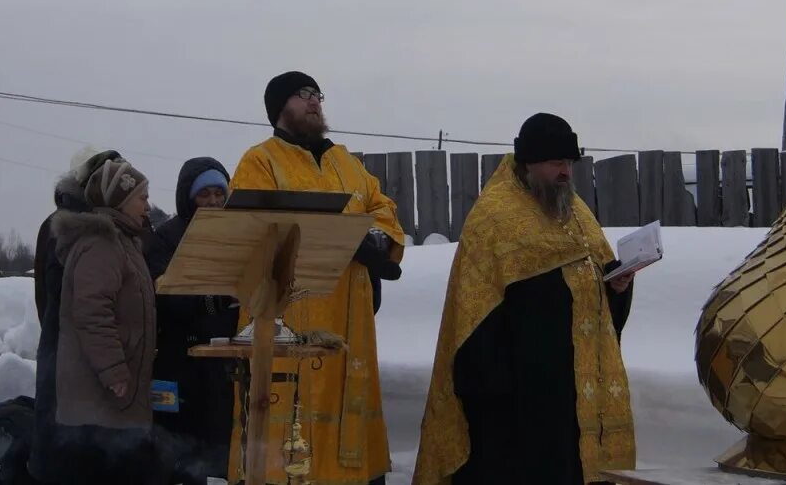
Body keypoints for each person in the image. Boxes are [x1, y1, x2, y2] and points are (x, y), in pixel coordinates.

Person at [413, 114, 637, 485]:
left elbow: (594, 282)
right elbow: (473, 310)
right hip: (521, 395)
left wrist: (616, 287)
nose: (565, 172)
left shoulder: (575, 210)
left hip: (575, 387)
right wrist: (497, 393)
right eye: (556, 164)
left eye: (569, 163)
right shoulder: (494, 216)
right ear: (529, 163)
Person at [227, 71, 404, 485]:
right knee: (293, 417)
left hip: (351, 318)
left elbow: (382, 207)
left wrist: (374, 240)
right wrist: (344, 236)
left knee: (347, 407)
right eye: (301, 95)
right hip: (294, 317)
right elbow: (254, 227)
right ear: (279, 108)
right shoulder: (261, 160)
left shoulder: (347, 162)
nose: (313, 102)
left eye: (316, 94)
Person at [50, 159, 158, 485]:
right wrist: (113, 370)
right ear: (120, 201)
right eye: (142, 197)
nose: (147, 205)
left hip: (113, 406)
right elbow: (92, 311)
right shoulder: (101, 244)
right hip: (98, 403)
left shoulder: (124, 243)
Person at [28, 148, 123, 484]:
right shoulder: (61, 227)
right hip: (68, 361)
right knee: (68, 457)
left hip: (109, 369)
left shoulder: (125, 225)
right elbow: (53, 296)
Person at [145, 157, 239, 485]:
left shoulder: (235, 236)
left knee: (220, 457)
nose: (213, 201)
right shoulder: (166, 239)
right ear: (188, 197)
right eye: (204, 194)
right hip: (178, 365)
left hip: (223, 368)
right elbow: (167, 295)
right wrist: (216, 301)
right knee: (178, 460)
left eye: (219, 193)